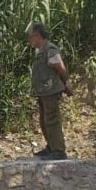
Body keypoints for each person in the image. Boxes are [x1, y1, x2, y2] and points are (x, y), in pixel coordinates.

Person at [26, 22, 71, 160]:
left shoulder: (50, 49)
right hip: (43, 91)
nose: (29, 40)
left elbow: (60, 67)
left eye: (31, 37)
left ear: (38, 36)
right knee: (44, 121)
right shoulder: (40, 51)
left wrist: (67, 83)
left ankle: (58, 150)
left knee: (52, 120)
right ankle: (51, 147)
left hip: (51, 90)